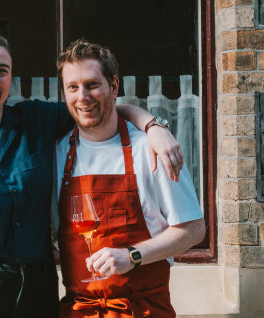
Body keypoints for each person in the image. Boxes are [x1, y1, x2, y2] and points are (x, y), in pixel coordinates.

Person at [0, 33, 185, 318]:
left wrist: (153, 125)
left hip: (38, 292)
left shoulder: (35, 121)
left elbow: (96, 108)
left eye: (2, 70)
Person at [52, 39, 206, 317]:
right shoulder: (57, 153)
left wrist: (133, 255)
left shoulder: (153, 149)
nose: (82, 96)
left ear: (114, 86)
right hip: (79, 311)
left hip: (141, 310)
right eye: (72, 87)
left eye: (92, 84)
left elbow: (193, 229)